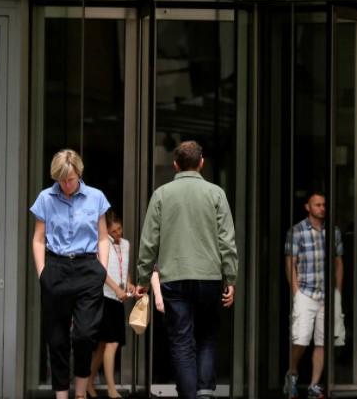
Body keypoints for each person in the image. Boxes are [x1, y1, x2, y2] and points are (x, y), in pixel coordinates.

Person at [135, 140, 238, 399]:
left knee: (181, 341)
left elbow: (149, 241)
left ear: (175, 165)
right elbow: (227, 240)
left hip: (174, 278)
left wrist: (143, 278)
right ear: (201, 163)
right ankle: (204, 392)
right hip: (209, 277)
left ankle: (189, 395)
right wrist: (231, 278)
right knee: (207, 336)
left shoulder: (161, 194)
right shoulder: (216, 194)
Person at [30, 149, 111, 399]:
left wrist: (102, 270)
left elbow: (103, 238)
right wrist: (43, 273)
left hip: (88, 269)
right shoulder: (45, 198)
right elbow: (38, 239)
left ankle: (80, 393)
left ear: (79, 174)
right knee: (57, 340)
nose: (66, 185)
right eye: (61, 180)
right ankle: (61, 396)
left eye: (71, 179)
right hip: (56, 268)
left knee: (85, 335)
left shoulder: (96, 197)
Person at [285, 191, 345, 399]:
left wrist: (337, 291)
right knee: (300, 339)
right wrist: (296, 292)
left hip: (326, 295)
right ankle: (292, 373)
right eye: (317, 205)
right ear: (308, 207)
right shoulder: (297, 231)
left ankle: (314, 385)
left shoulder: (333, 232)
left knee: (322, 341)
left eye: (324, 205)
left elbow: (338, 263)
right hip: (306, 293)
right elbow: (290, 263)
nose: (322, 208)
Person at [88, 211, 130, 399]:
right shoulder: (101, 245)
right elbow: (102, 273)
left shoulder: (126, 245)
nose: (117, 234)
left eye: (119, 229)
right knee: (112, 343)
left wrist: (129, 284)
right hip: (105, 297)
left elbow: (125, 268)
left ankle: (88, 382)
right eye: (113, 231)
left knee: (104, 345)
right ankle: (111, 389)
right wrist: (117, 289)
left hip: (118, 298)